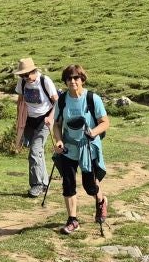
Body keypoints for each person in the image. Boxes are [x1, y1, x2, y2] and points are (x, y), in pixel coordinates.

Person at [50, 63, 109, 234]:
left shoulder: (92, 99)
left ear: (82, 79)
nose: (72, 81)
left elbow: (105, 122)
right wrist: (59, 140)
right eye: (69, 78)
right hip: (68, 148)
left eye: (76, 77)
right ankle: (72, 220)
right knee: (68, 184)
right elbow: (57, 124)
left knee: (89, 186)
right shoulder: (62, 100)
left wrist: (93, 132)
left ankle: (101, 200)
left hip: (88, 147)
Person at [12, 56, 57, 199]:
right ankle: (44, 182)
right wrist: (20, 120)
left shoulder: (45, 81)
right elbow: (20, 100)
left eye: (27, 74)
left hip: (45, 119)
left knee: (35, 151)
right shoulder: (22, 82)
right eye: (23, 75)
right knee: (39, 152)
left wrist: (50, 117)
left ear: (34, 70)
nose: (26, 78)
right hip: (29, 120)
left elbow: (57, 101)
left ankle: (36, 184)